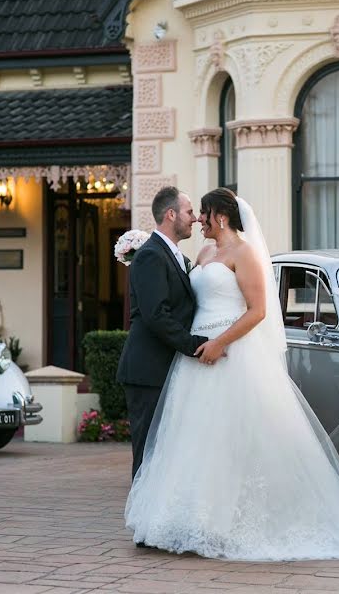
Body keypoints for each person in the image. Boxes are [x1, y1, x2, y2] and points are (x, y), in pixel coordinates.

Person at [124, 187, 339, 561]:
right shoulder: (201, 254)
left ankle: (230, 521)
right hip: (194, 357)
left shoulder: (245, 253)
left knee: (233, 440)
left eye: (201, 213)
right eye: (192, 212)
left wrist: (219, 343)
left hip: (228, 352)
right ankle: (190, 519)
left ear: (219, 216)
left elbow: (257, 311)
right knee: (192, 441)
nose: (198, 219)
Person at [116, 187, 211, 482]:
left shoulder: (173, 255)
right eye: (189, 211)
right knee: (147, 454)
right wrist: (195, 345)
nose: (195, 219)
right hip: (148, 371)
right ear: (171, 215)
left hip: (166, 369)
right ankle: (141, 524)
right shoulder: (150, 256)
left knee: (164, 453)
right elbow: (157, 315)